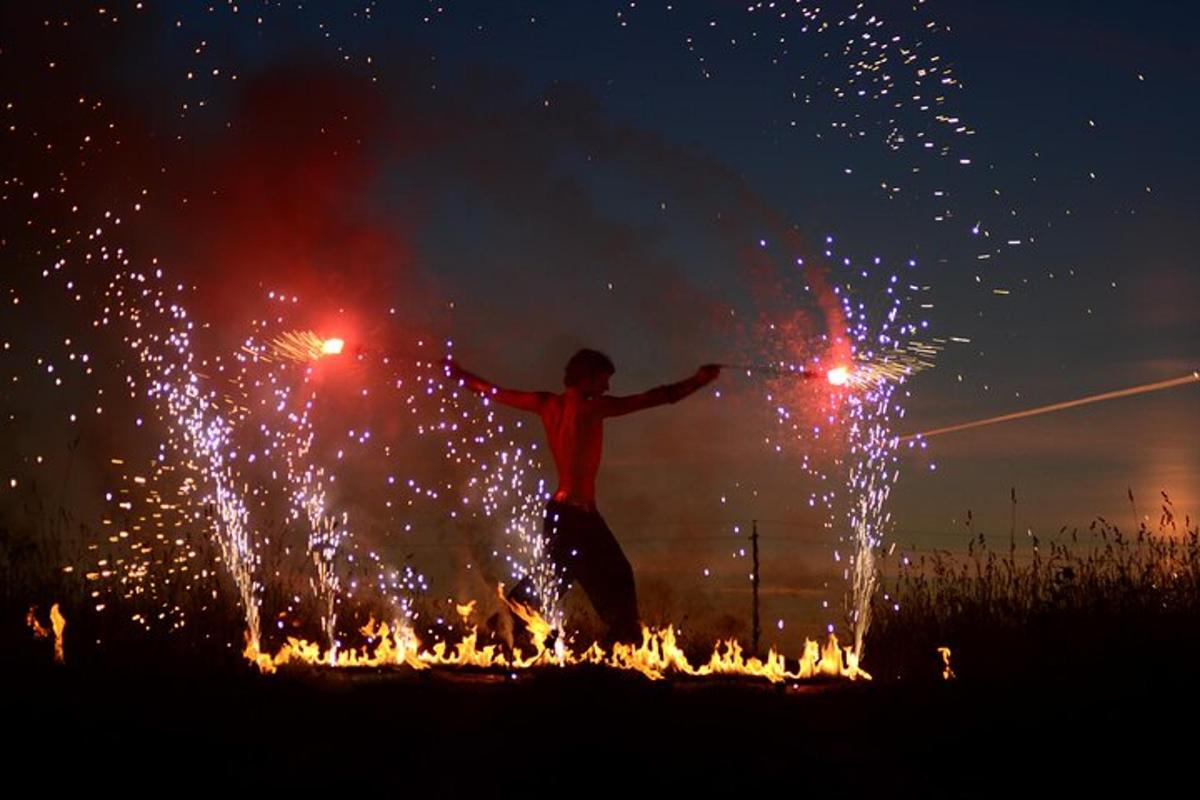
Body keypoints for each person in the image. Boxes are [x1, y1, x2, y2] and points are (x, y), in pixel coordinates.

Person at [445, 349, 720, 647]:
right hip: (577, 517)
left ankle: (500, 632)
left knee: (552, 581)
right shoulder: (593, 408)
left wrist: (457, 374)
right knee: (611, 573)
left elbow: (492, 391)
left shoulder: (546, 403)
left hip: (560, 514)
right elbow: (651, 398)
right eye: (603, 381)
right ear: (587, 378)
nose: (607, 388)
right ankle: (624, 640)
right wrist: (698, 381)